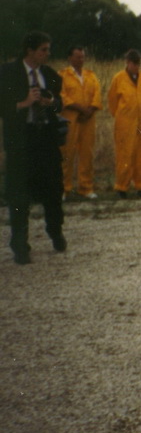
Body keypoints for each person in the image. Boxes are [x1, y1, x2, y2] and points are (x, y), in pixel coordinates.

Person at [0, 31, 67, 264]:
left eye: (48, 49)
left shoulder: (50, 75)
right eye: (43, 50)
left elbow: (60, 104)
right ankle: (20, 245)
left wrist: (52, 104)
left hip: (45, 141)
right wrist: (24, 103)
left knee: (53, 190)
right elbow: (3, 107)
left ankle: (55, 231)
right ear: (30, 50)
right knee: (19, 195)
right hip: (21, 141)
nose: (47, 54)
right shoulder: (8, 73)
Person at [107, 49, 141, 198]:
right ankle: (122, 187)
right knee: (124, 155)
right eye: (134, 64)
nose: (136, 67)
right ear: (127, 63)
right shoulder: (118, 78)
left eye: (138, 64)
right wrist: (121, 117)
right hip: (125, 123)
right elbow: (112, 101)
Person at [58, 45, 101, 199]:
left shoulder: (90, 75)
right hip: (70, 119)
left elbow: (97, 95)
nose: (80, 60)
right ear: (70, 58)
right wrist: (81, 109)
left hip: (88, 120)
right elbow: (63, 97)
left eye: (82, 57)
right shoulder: (62, 75)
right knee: (67, 153)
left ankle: (86, 187)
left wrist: (90, 110)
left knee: (86, 153)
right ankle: (64, 188)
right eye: (77, 57)